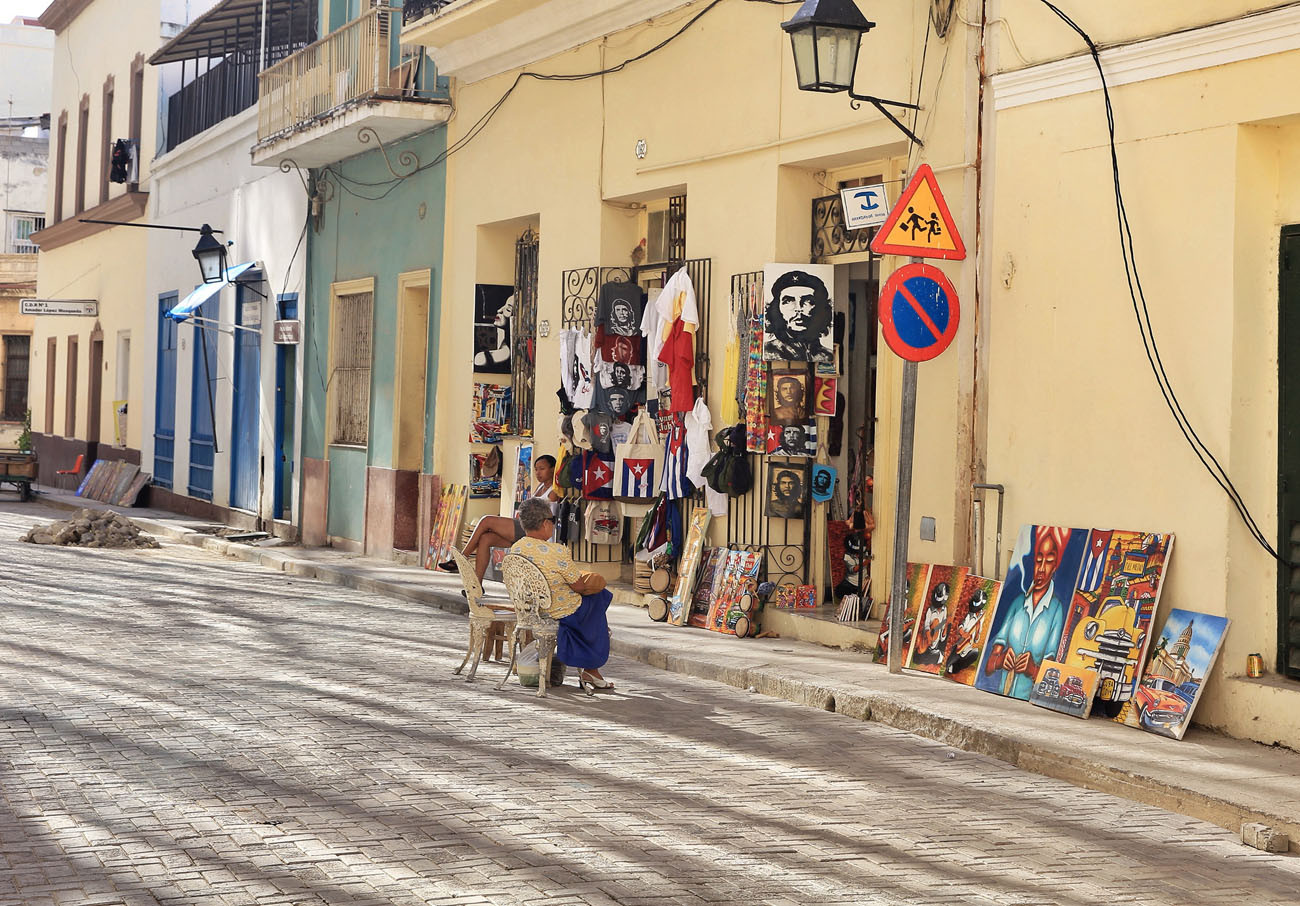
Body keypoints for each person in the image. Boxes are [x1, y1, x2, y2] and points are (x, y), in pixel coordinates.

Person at [510, 498, 615, 689]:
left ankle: (590, 670)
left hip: (531, 610)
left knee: (594, 605)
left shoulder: (516, 549)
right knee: (598, 597)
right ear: (544, 523)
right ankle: (591, 669)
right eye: (553, 520)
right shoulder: (556, 551)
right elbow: (579, 587)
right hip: (560, 611)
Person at [980, 527, 1073, 699]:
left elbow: (1052, 675)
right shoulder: (1017, 603)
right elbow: (987, 666)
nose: (1042, 569)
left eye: (1049, 561)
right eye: (1039, 561)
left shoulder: (1056, 610)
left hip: (1030, 701)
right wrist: (999, 661)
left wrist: (1032, 669)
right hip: (1000, 695)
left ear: (1055, 567)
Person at [442, 454, 560, 579]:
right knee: (485, 539)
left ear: (552, 469)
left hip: (534, 530)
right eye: (536, 469)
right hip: (525, 527)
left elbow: (543, 514)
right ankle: (477, 584)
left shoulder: (554, 490)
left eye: (542, 469)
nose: (538, 472)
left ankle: (462, 557)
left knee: (487, 520)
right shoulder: (541, 487)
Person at [764, 270, 833, 363]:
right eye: (789, 301)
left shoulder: (828, 356)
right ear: (777, 309)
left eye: (807, 301)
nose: (798, 308)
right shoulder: (769, 352)